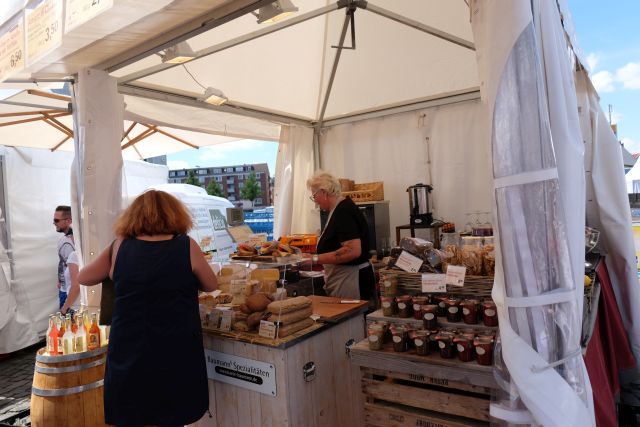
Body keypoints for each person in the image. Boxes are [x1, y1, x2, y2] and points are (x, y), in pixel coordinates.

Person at [78, 190, 217, 426]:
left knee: (133, 411)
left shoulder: (119, 247)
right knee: (173, 412)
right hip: (176, 345)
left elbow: (84, 277)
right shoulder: (187, 246)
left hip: (130, 344)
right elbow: (211, 284)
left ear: (132, 217)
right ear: (175, 216)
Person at [305, 171, 376, 300]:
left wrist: (314, 259)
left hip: (351, 280)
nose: (314, 201)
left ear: (323, 192)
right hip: (345, 277)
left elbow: (352, 251)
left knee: (351, 314)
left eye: (314, 196)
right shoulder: (337, 209)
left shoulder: (343, 211)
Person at [54, 205, 74, 310]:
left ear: (68, 221)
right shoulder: (66, 240)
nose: (54, 223)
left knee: (66, 317)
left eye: (56, 220)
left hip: (68, 291)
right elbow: (63, 262)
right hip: (65, 288)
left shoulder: (68, 242)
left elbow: (73, 266)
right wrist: (60, 280)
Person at [60, 249, 80, 315]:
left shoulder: (75, 255)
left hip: (76, 306)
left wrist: (64, 308)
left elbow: (76, 286)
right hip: (87, 305)